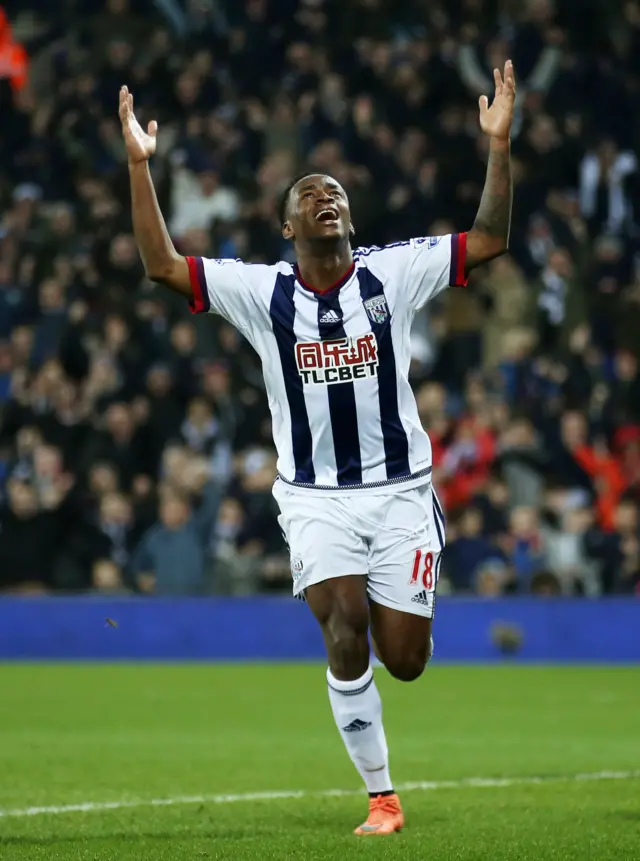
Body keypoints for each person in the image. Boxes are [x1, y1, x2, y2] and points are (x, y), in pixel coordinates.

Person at [118, 60, 515, 836]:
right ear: (288, 228)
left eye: (333, 193)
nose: (324, 199)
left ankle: (397, 592)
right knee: (342, 625)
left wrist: (498, 146)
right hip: (314, 496)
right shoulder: (261, 291)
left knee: (405, 658)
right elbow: (161, 265)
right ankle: (382, 797)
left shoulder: (392, 274)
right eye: (307, 197)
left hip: (400, 490)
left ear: (349, 219)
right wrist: (140, 166)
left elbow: (491, 238)